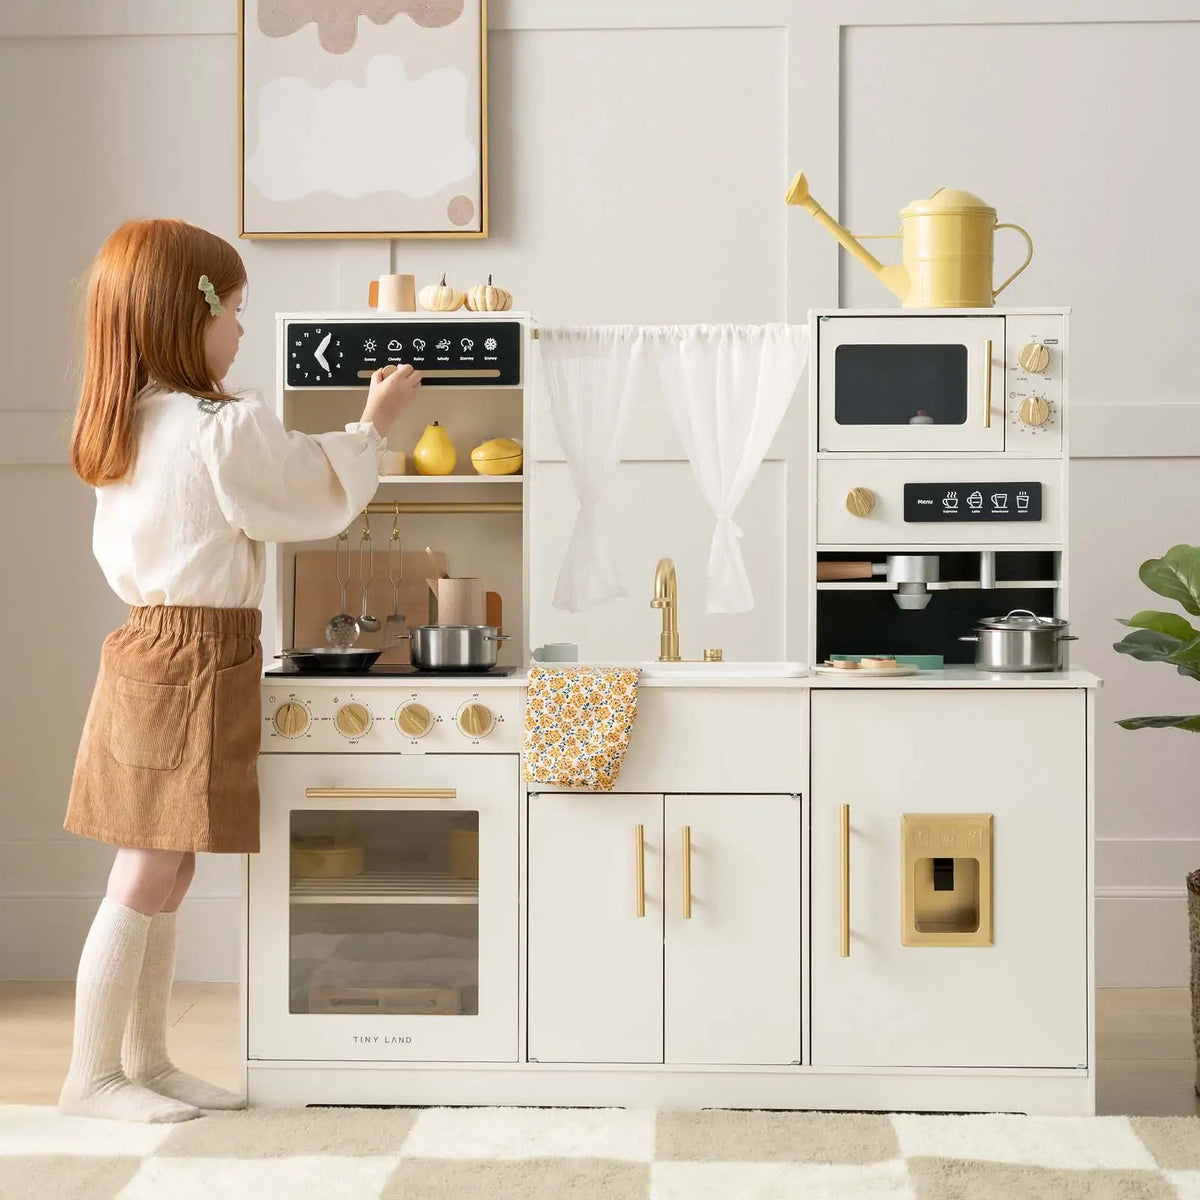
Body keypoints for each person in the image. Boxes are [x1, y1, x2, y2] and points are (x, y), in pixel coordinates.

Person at [58, 218, 420, 1123]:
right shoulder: (219, 426)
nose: (245, 329)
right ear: (195, 314)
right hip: (188, 656)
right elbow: (305, 491)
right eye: (238, 309)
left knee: (169, 869)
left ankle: (146, 1059)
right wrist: (373, 426)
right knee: (146, 869)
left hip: (167, 648)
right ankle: (92, 1076)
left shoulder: (129, 419)